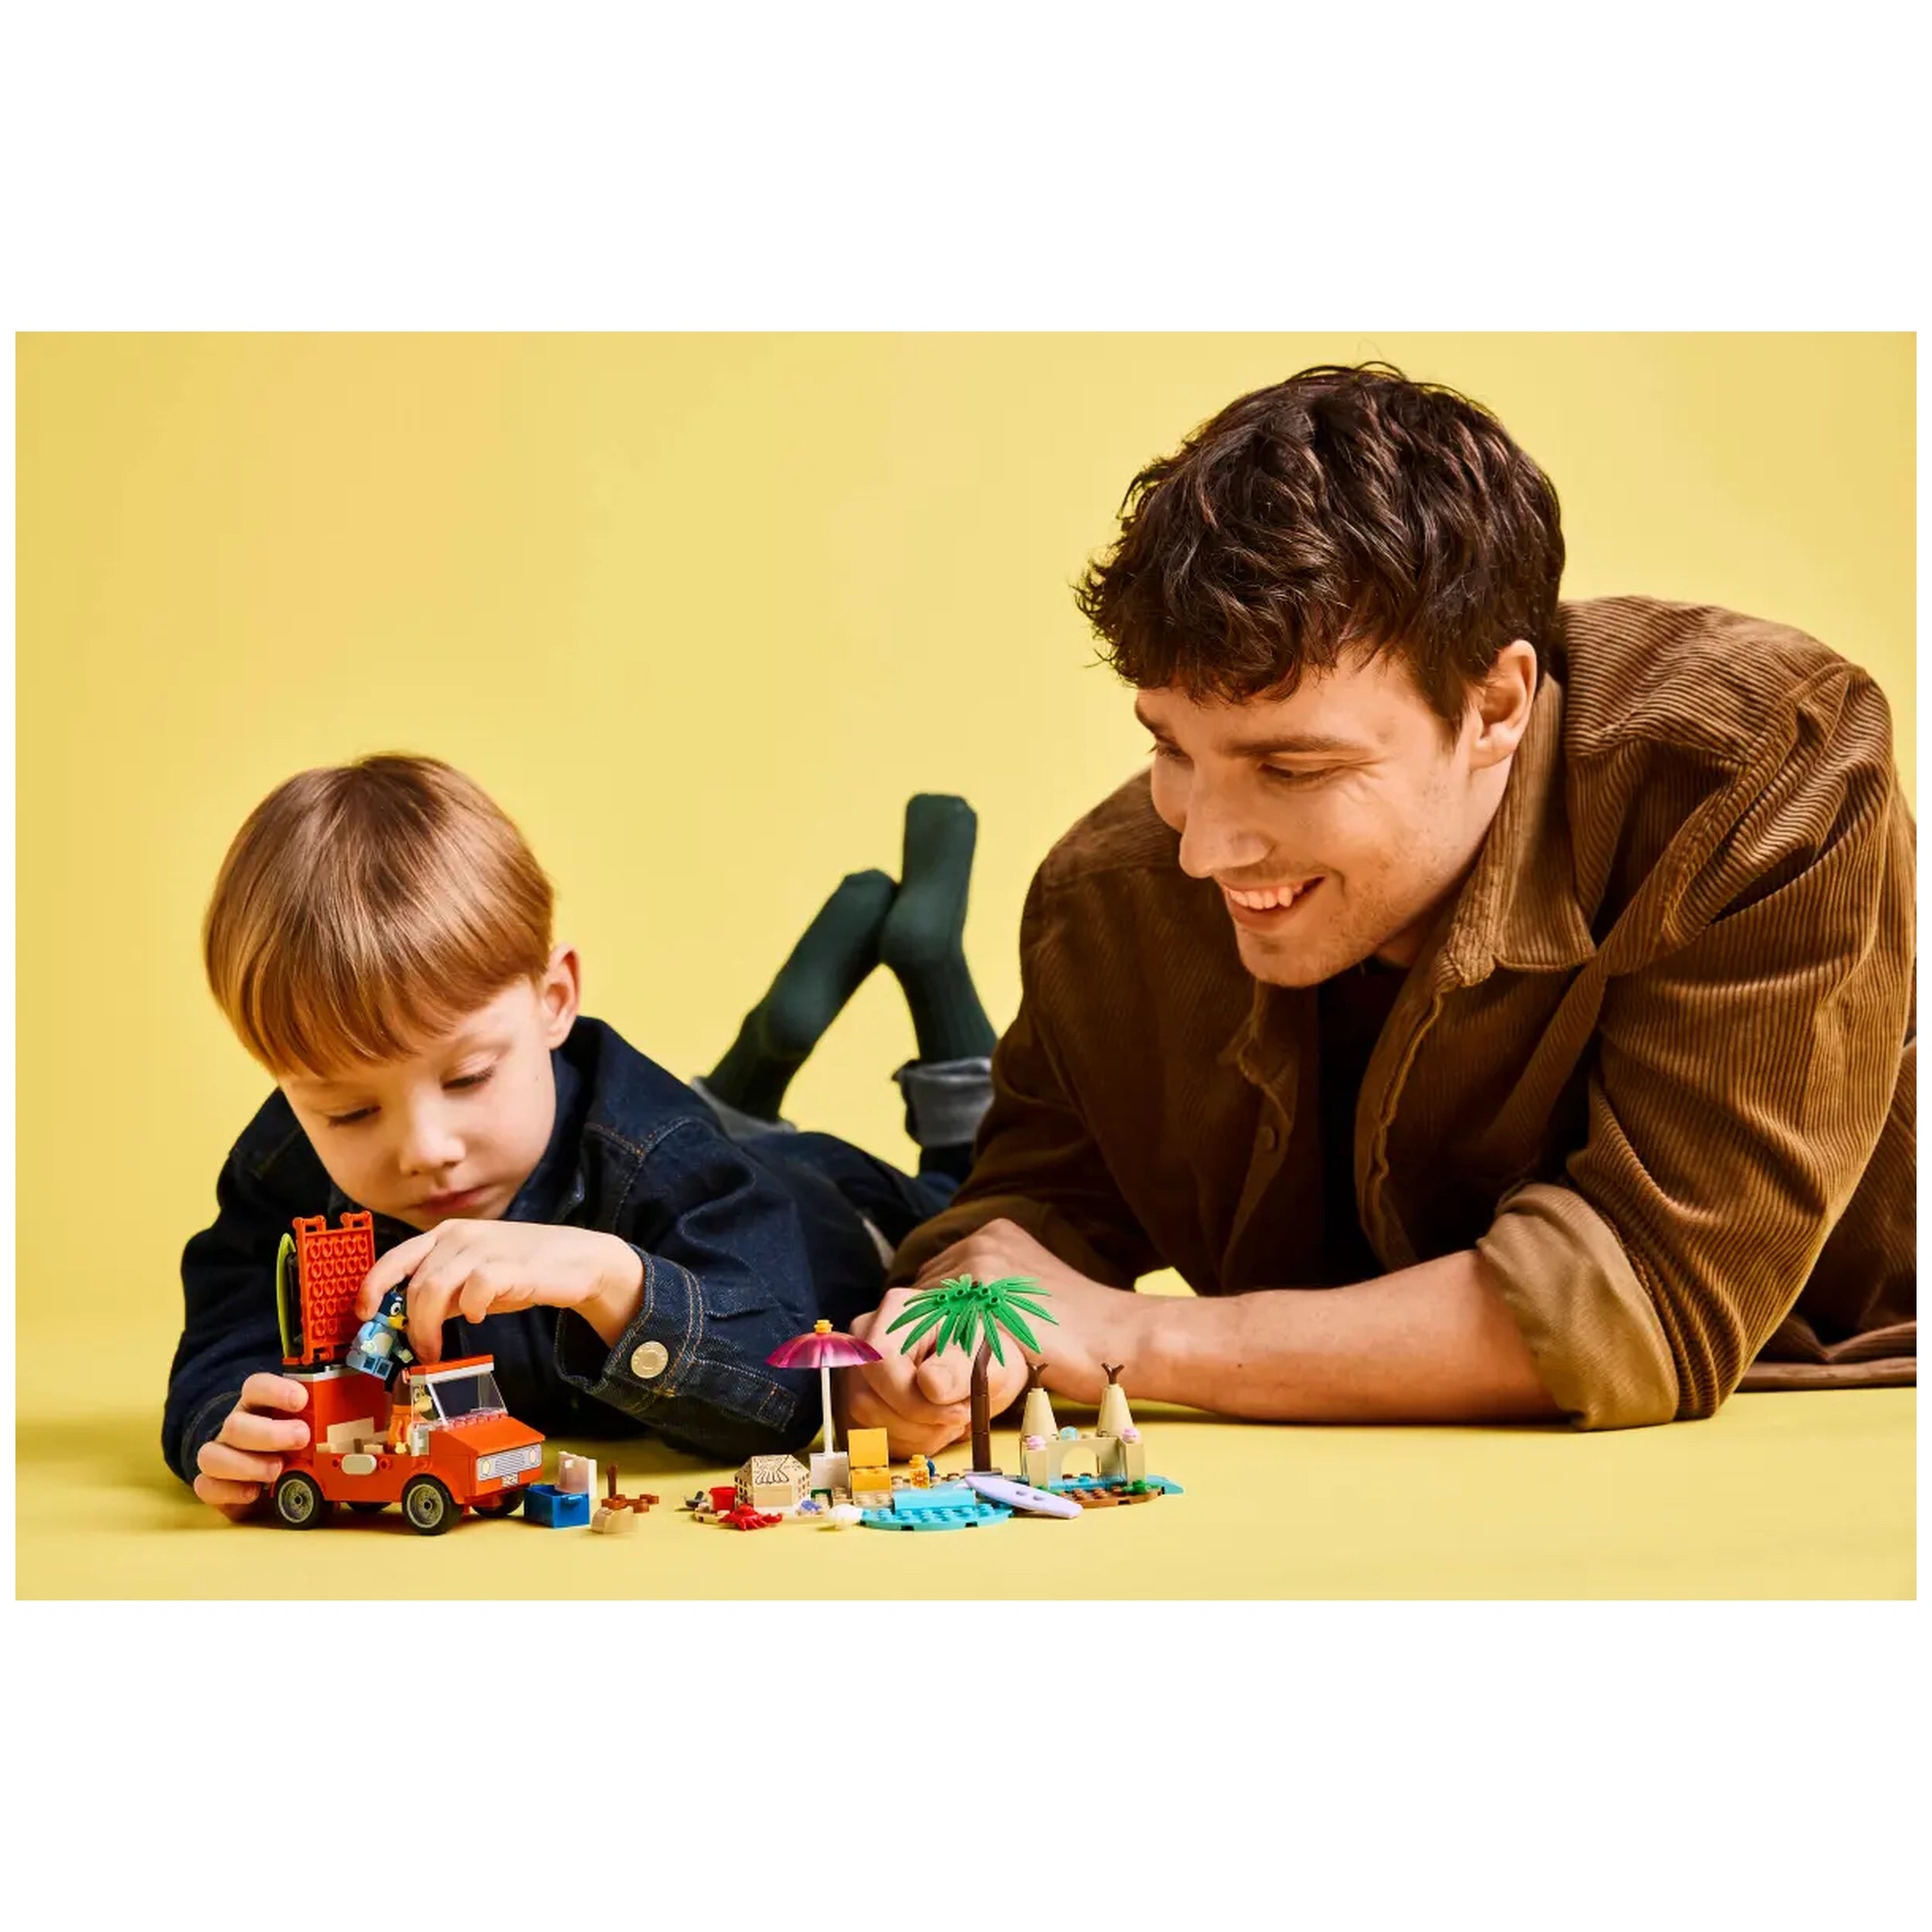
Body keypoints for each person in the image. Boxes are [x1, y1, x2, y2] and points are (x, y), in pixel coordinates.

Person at [844, 363, 1916, 1453]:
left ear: (1495, 704)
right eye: (1171, 747)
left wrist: (1132, 1339)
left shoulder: (1760, 769)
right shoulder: (1109, 897)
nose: (1205, 849)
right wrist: (945, 1340)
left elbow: (1644, 1297)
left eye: (1294, 769)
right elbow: (1029, 1216)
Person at [164, 756, 997, 1515]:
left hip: (830, 1210)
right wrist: (232, 1422)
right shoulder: (284, 1167)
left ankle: (930, 962)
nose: (423, 1147)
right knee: (715, 1123)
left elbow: (774, 1396)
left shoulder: (654, 1152)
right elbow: (227, 1330)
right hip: (682, 1140)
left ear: (555, 998)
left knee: (954, 1193)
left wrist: (610, 1279)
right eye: (348, 1112)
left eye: (468, 1078)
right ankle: (765, 1053)